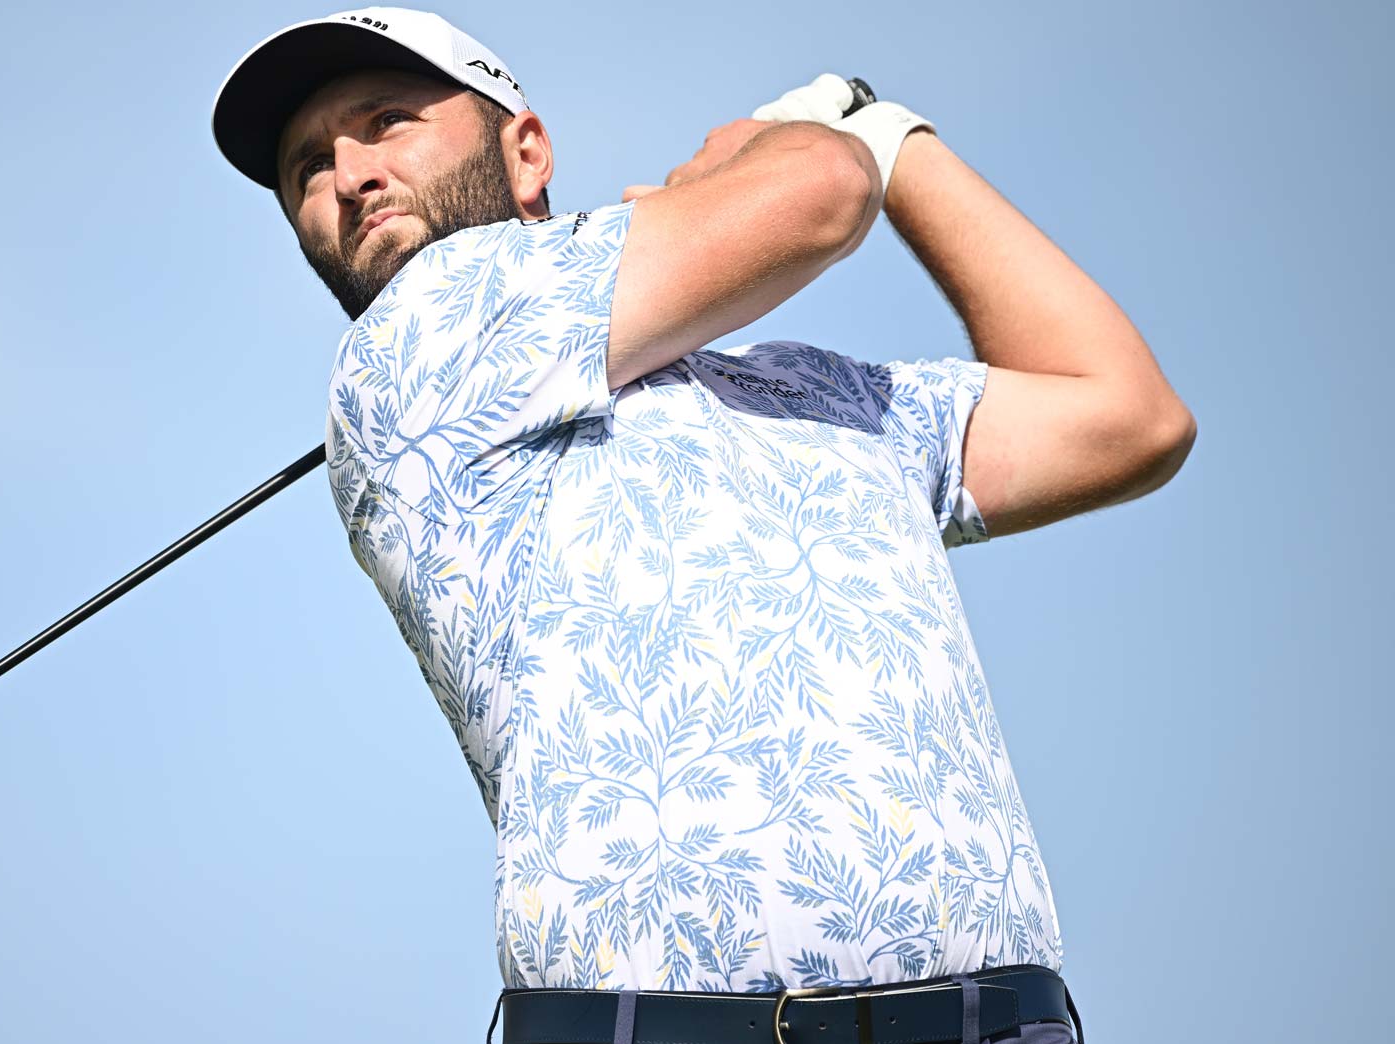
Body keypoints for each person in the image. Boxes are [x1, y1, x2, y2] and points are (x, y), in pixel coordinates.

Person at [213, 8, 1193, 1043]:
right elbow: (817, 195)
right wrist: (800, 140)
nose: (351, 172)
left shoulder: (809, 392)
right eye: (308, 167)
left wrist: (891, 133)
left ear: (526, 147)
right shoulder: (418, 336)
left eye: (387, 120)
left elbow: (1127, 417)